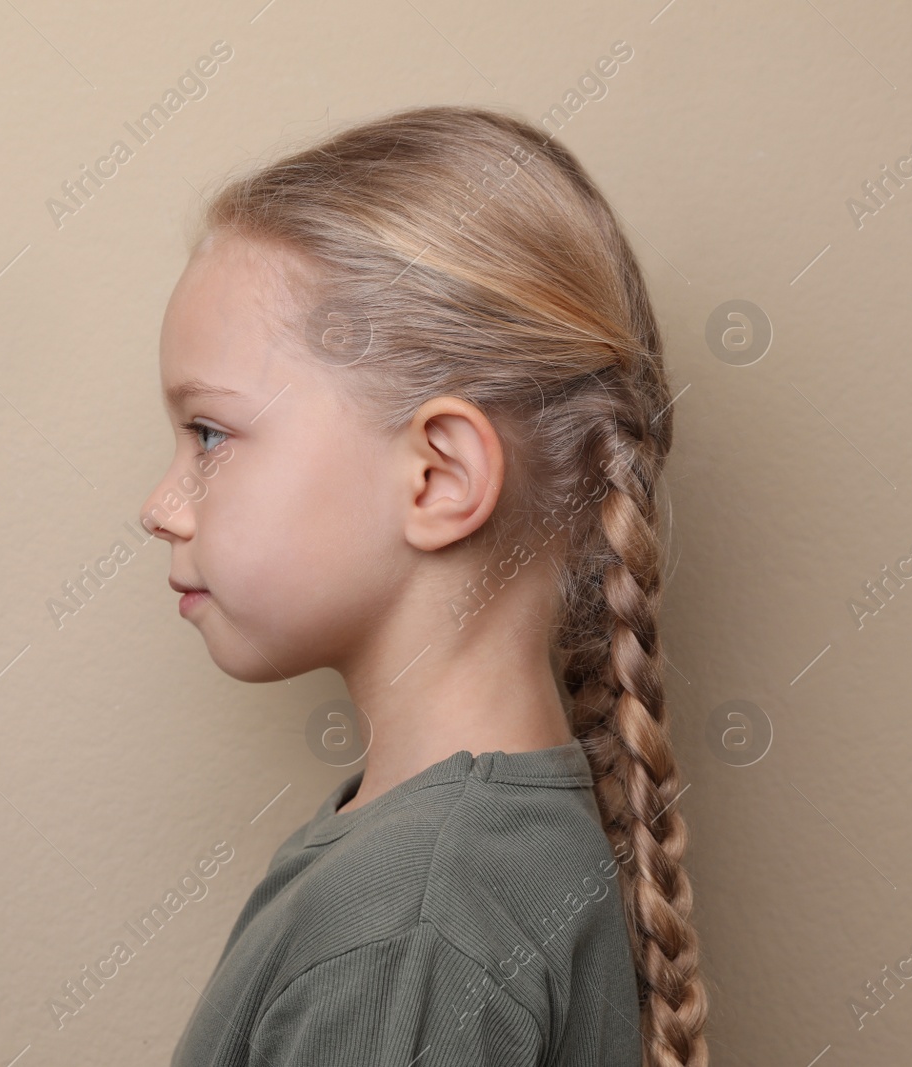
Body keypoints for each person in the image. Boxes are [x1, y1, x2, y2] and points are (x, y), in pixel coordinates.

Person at [139, 105, 709, 1066]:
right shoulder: (461, 866)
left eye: (209, 435)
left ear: (439, 477)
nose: (161, 505)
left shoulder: (411, 930)